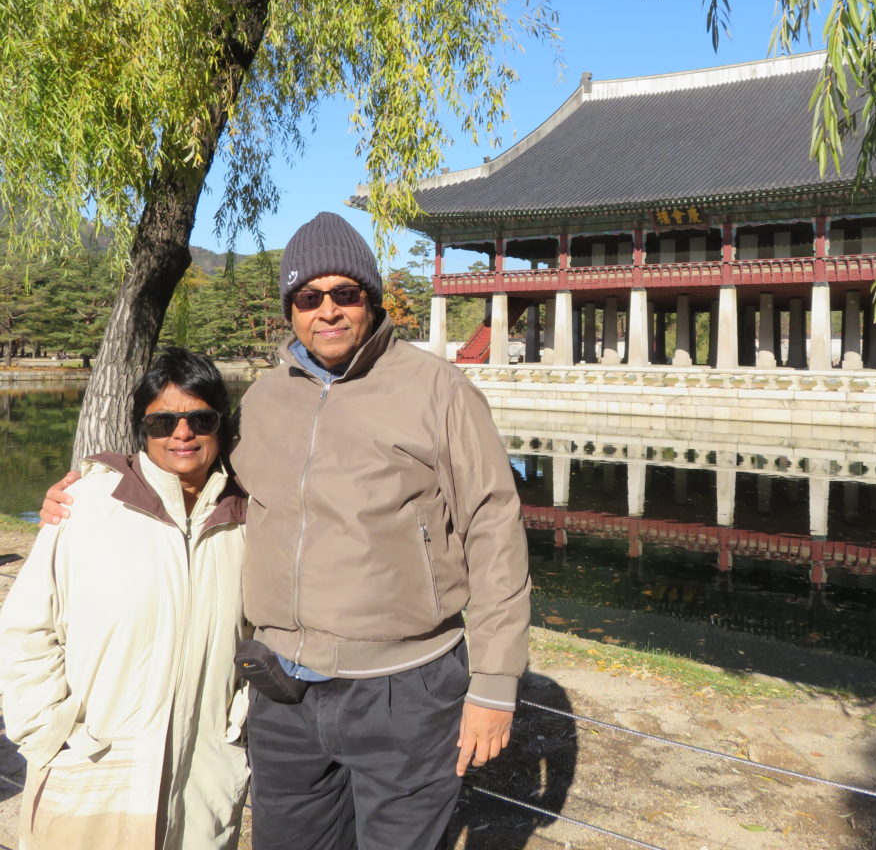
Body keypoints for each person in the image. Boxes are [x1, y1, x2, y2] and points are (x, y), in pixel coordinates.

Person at [42, 212, 532, 850]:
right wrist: (102, 478)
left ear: (371, 299)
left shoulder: (438, 390)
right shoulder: (268, 398)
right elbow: (196, 472)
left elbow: (493, 527)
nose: (327, 311)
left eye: (345, 294)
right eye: (308, 297)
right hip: (282, 689)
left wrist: (494, 686)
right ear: (290, 309)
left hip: (405, 687)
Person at [4, 348, 249, 849]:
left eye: (199, 418)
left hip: (202, 777)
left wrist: (237, 730)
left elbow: (262, 633)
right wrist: (49, 735)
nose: (182, 433)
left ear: (220, 425)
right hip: (91, 766)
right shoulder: (87, 505)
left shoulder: (247, 520)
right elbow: (27, 629)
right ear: (143, 428)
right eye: (163, 422)